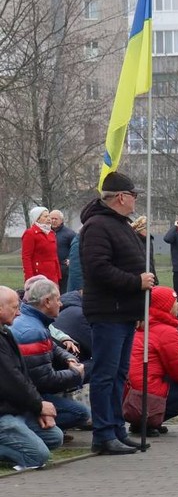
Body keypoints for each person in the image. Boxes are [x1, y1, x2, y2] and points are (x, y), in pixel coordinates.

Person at [78, 171, 155, 455]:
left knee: (119, 375)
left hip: (123, 312)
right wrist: (136, 282)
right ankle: (103, 434)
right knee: (105, 375)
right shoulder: (98, 226)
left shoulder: (120, 225)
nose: (136, 201)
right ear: (122, 197)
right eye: (134, 195)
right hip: (108, 312)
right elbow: (99, 269)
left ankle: (116, 429)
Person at [10, 278, 90, 433]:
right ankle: (30, 424)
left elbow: (51, 345)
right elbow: (45, 381)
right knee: (80, 413)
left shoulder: (33, 320)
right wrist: (76, 374)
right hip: (27, 396)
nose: (60, 304)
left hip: (27, 391)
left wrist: (68, 358)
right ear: (47, 302)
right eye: (58, 299)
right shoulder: (33, 332)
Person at [0, 286, 62, 470]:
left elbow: (22, 375)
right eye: (14, 307)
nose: (19, 313)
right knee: (38, 456)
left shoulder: (6, 332)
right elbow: (12, 381)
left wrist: (38, 409)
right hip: (3, 413)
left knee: (54, 437)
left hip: (15, 409)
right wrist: (39, 405)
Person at [125, 286, 178, 436]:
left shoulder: (144, 325)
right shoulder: (166, 331)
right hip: (145, 394)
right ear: (165, 306)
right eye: (175, 301)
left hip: (130, 393)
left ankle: (140, 422)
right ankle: (149, 421)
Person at [21, 206, 61, 286]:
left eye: (49, 216)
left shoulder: (51, 233)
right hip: (38, 276)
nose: (49, 219)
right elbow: (26, 257)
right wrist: (30, 279)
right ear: (37, 219)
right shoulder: (30, 233)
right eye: (45, 216)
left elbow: (54, 257)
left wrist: (58, 274)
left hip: (52, 275)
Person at [50, 210, 76, 293]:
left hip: (63, 269)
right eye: (51, 218)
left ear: (61, 220)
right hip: (49, 268)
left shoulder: (70, 234)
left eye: (56, 219)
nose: (53, 221)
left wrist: (70, 259)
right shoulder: (46, 233)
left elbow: (75, 248)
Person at [131, 216, 157, 281]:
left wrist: (154, 275)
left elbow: (150, 260)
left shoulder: (149, 240)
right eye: (145, 229)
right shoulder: (135, 240)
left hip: (150, 271)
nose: (148, 231)